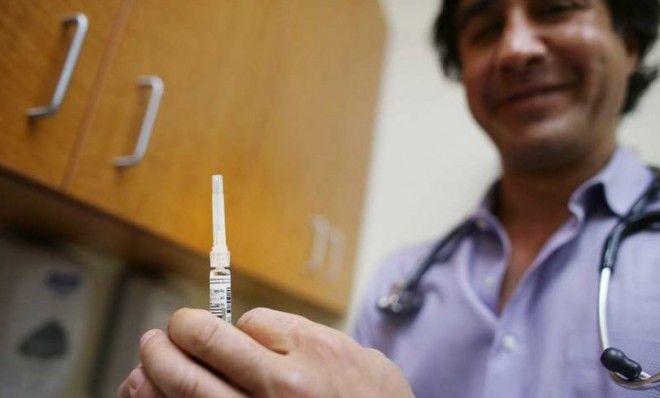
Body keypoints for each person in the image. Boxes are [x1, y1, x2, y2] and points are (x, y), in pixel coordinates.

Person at [118, 0, 660, 397]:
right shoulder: (398, 286)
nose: (517, 48)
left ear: (628, 42)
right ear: (463, 68)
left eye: (556, 9)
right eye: (486, 27)